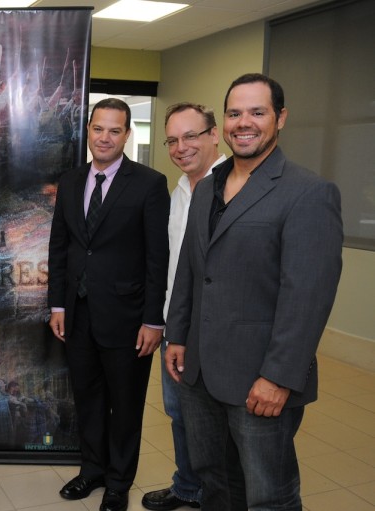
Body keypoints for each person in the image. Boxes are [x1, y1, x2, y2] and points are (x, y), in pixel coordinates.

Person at [165, 73, 344, 510]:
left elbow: (307, 297)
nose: (244, 122)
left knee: (269, 494)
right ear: (223, 122)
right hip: (199, 372)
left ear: (280, 118)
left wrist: (279, 377)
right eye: (234, 112)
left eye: (257, 112)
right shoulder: (207, 186)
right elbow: (191, 270)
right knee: (217, 484)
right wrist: (178, 334)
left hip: (258, 380)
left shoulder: (308, 193)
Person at [48, 98, 170, 511]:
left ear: (126, 134)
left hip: (128, 318)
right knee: (88, 398)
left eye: (114, 130)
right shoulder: (69, 181)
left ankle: (119, 482)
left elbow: (158, 257)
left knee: (126, 404)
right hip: (77, 314)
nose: (105, 137)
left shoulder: (150, 184)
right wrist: (58, 307)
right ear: (88, 131)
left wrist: (154, 319)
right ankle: (92, 471)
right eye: (98, 128)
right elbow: (60, 247)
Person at [141, 103, 226, 511]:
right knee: (179, 413)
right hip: (177, 325)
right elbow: (170, 263)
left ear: (214, 134)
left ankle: (218, 496)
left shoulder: (234, 188)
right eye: (172, 140)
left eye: (191, 136)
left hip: (216, 330)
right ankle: (188, 487)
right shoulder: (178, 190)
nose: (181, 147)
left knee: (219, 424)